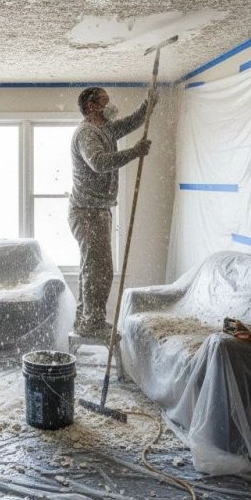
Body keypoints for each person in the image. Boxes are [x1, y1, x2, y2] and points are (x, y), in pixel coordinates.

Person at [68, 86, 157, 339]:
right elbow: (98, 162)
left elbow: (133, 122)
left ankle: (85, 320)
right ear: (92, 107)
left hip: (98, 210)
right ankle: (92, 323)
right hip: (86, 212)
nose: (111, 106)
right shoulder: (87, 133)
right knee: (100, 268)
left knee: (92, 266)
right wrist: (134, 152)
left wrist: (148, 104)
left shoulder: (106, 128)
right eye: (106, 102)